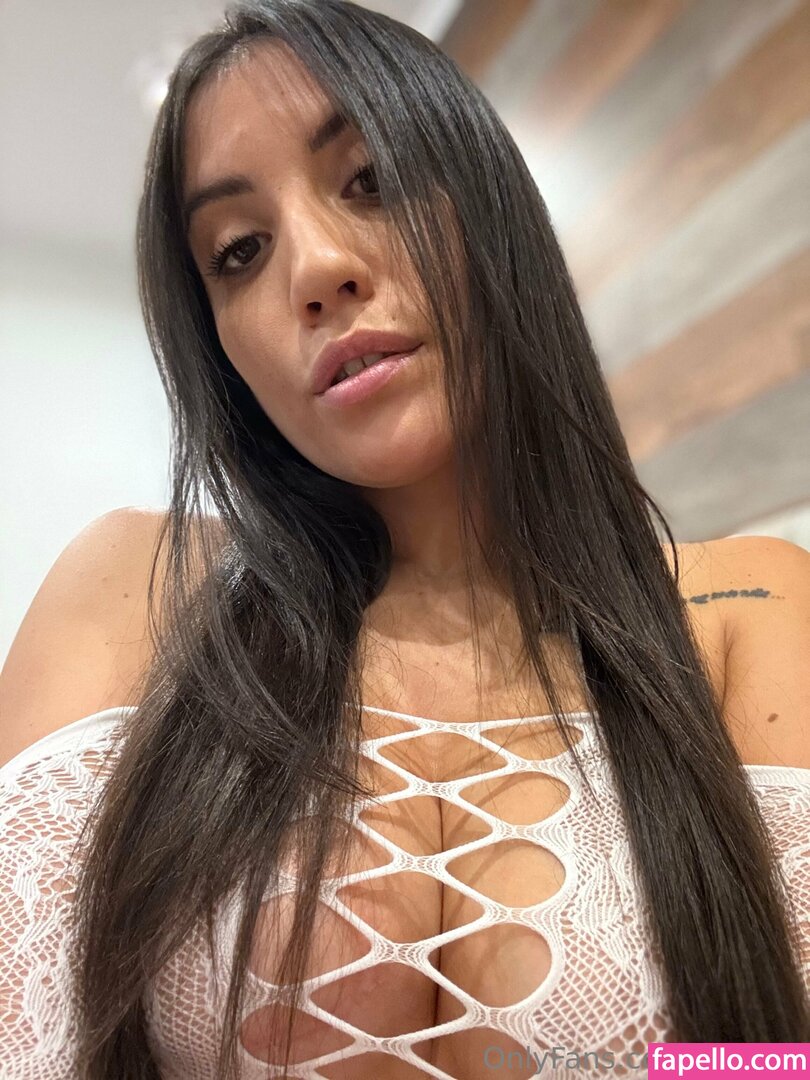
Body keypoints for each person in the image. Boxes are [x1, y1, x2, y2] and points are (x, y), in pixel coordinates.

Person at [1, 1, 808, 1077]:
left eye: (372, 178)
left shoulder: (744, 609)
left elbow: (781, 1060)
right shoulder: (136, 593)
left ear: (490, 202)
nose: (315, 270)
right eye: (240, 250)